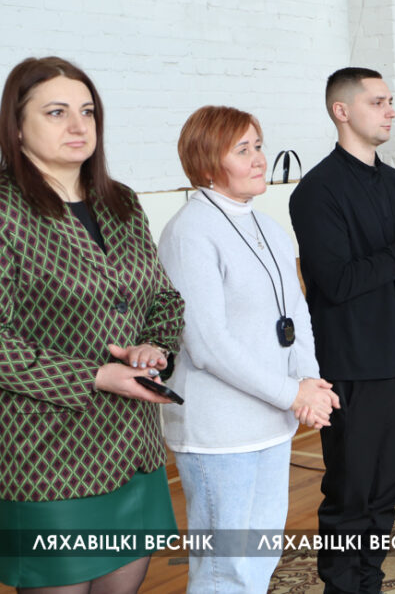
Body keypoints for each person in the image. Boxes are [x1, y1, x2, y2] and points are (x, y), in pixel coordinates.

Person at [0, 56, 185, 592]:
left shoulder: (120, 200)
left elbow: (164, 299)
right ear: (17, 126)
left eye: (87, 111)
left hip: (133, 448)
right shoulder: (6, 208)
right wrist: (96, 375)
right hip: (47, 456)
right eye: (56, 112)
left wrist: (155, 347)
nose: (78, 125)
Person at [157, 106, 339, 593]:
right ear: (206, 162)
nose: (259, 158)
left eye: (258, 145)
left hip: (270, 421)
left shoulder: (266, 226)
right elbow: (207, 344)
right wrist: (293, 393)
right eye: (243, 150)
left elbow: (295, 313)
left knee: (260, 556)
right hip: (220, 431)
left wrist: (310, 381)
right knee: (226, 570)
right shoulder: (190, 232)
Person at [288, 68, 395, 593]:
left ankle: (370, 580)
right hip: (350, 362)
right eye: (378, 102)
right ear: (341, 111)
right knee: (352, 491)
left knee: (389, 485)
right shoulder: (316, 191)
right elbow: (338, 282)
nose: (391, 111)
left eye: (391, 101)